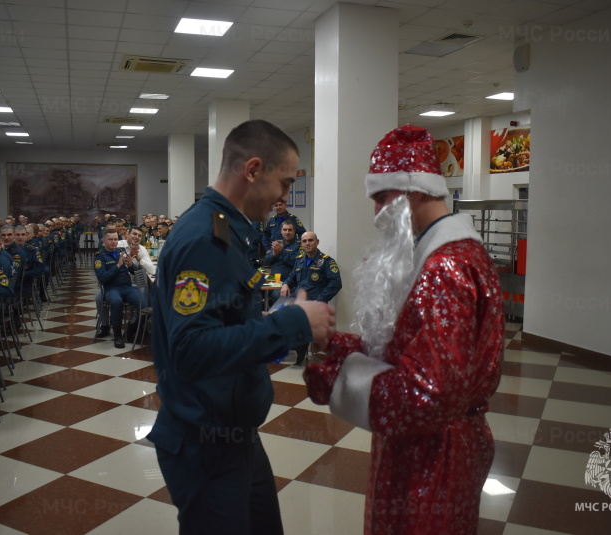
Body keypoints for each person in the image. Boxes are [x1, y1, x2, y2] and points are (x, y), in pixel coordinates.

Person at [303, 125, 504, 535]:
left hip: (432, 454)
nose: (376, 214)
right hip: (430, 444)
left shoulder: (443, 268)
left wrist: (338, 379)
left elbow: (428, 394)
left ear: (413, 190)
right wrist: (333, 343)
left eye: (382, 198)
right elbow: (412, 351)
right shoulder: (450, 255)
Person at [146, 119, 336, 535]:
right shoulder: (204, 238)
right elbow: (190, 350)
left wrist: (273, 320)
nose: (285, 197)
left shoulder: (228, 230)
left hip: (233, 436)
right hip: (204, 442)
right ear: (252, 170)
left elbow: (221, 324)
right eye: (284, 183)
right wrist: (289, 326)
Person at [280, 231, 342, 365]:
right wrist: (285, 284)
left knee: (300, 321)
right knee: (278, 314)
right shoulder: (300, 260)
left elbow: (336, 283)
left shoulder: (326, 261)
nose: (307, 243)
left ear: (317, 242)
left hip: (315, 302)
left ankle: (300, 351)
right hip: (298, 300)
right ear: (301, 244)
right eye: (304, 241)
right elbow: (292, 277)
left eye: (310, 240)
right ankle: (294, 346)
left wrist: (319, 300)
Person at [94, 228, 140, 348]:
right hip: (111, 289)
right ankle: (118, 335)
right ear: (104, 240)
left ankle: (131, 329)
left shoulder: (122, 251)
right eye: (110, 239)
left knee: (143, 302)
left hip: (127, 287)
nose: (114, 242)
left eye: (115, 239)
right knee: (116, 302)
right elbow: (102, 278)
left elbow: (134, 271)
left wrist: (131, 265)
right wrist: (118, 266)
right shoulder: (100, 257)